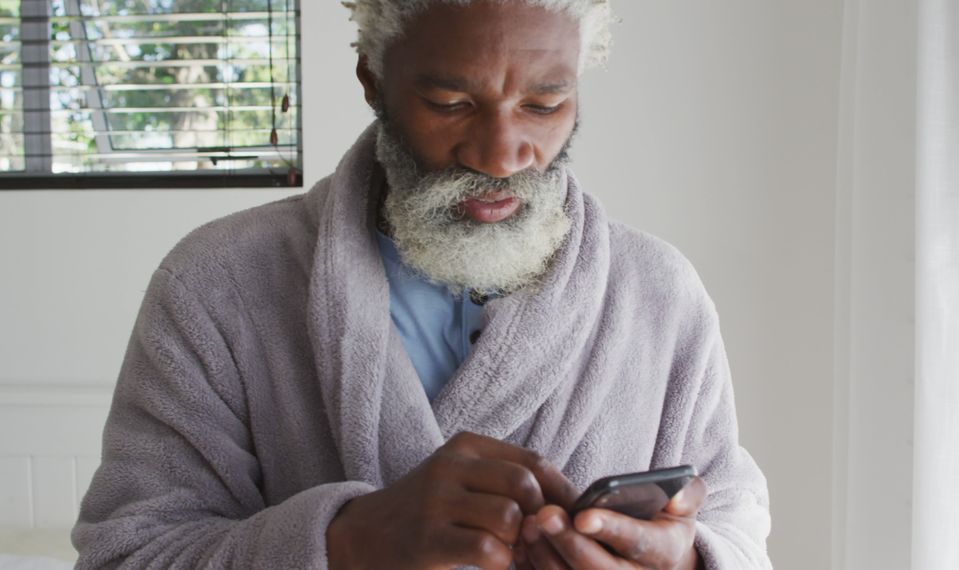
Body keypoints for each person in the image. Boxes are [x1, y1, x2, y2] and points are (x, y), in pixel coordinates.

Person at [72, 1, 772, 568]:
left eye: (542, 105)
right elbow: (127, 553)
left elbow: (734, 522)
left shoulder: (659, 294)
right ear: (373, 79)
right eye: (450, 102)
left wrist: (687, 561)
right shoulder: (217, 284)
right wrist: (346, 541)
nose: (500, 155)